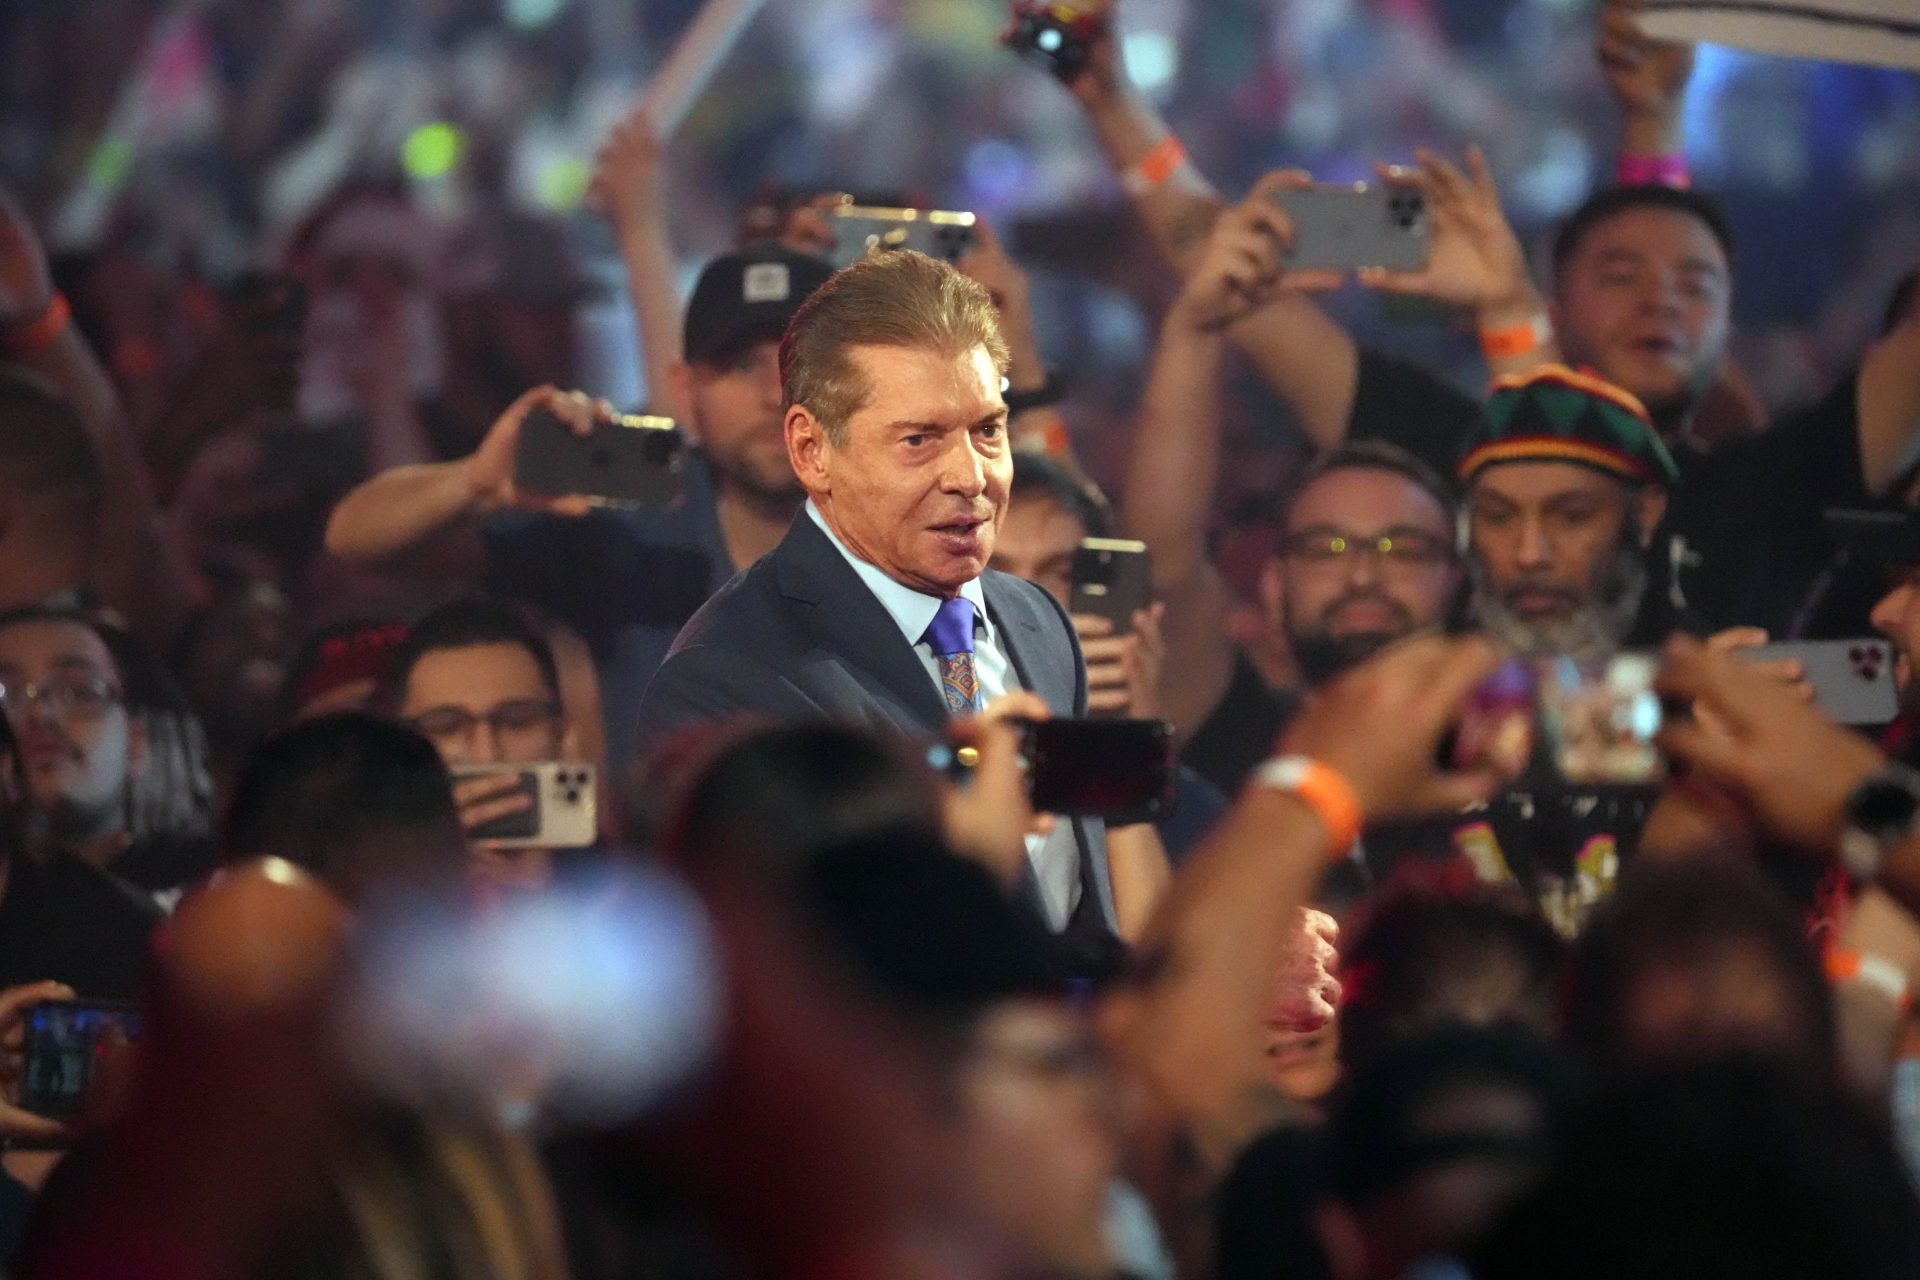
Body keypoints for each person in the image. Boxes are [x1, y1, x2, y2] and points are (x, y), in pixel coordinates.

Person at [634, 250, 1118, 945]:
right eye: (920, 440)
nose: (971, 477)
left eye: (988, 430)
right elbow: (802, 987)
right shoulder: (726, 684)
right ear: (811, 450)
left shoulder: (1038, 622)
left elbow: (1074, 929)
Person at [325, 245, 835, 769]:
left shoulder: (912, 532)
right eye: (741, 365)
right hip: (651, 850)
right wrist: (474, 482)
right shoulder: (631, 530)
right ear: (684, 391)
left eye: (801, 361)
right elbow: (356, 540)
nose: (776, 394)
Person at [0, 605, 215, 902]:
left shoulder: (206, 893)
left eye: (78, 691)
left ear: (135, 744)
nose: (40, 713)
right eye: (4, 693)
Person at [377, 597, 586, 895]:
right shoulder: (363, 896)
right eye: (446, 727)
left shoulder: (625, 889)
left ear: (564, 739)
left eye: (517, 722)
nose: (486, 754)